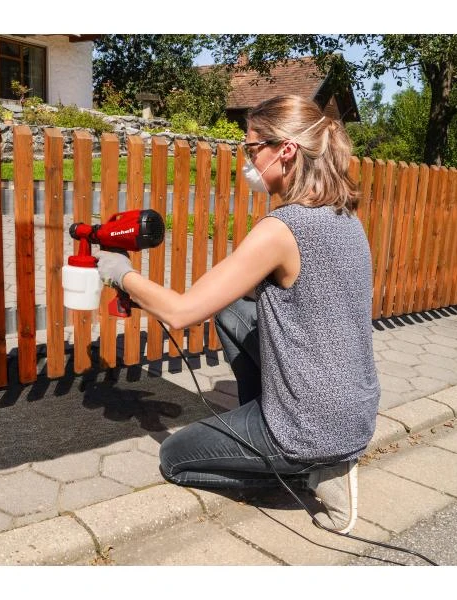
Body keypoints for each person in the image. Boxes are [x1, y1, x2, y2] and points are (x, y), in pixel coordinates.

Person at [96, 95, 380, 534]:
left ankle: (305, 470)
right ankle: (290, 444)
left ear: (285, 150)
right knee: (232, 311)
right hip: (354, 412)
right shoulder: (344, 217)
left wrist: (121, 273)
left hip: (309, 424)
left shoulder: (283, 228)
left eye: (252, 149)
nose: (247, 161)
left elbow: (182, 313)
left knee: (175, 459)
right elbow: (226, 296)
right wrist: (147, 294)